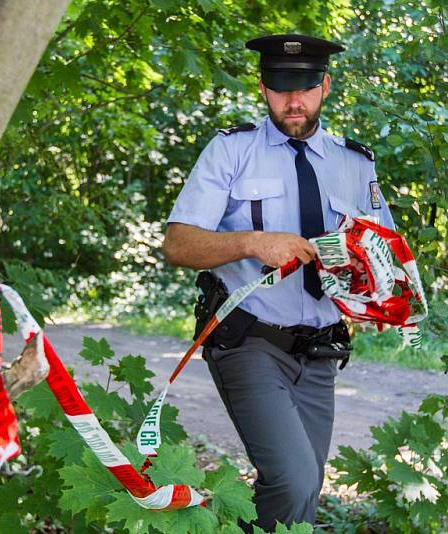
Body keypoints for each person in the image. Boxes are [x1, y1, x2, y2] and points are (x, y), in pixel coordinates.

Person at [162, 34, 395, 532]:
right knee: (291, 480)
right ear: (263, 86)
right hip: (249, 339)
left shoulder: (355, 163)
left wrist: (377, 298)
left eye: (306, 86)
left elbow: (384, 254)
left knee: (305, 487)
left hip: (321, 350)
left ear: (325, 86)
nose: (294, 101)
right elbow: (178, 244)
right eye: (282, 86)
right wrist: (253, 242)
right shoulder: (231, 151)